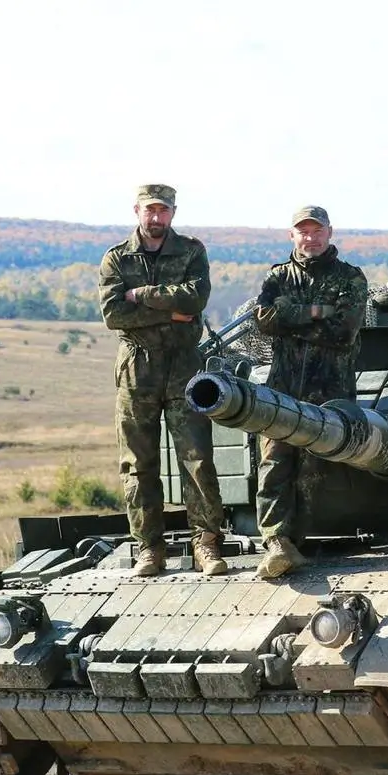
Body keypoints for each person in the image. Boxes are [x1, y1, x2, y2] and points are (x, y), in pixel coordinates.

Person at [98, 183, 227, 577]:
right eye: (150, 211)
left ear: (173, 212)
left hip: (184, 365)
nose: (156, 218)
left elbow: (195, 300)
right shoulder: (116, 259)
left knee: (197, 459)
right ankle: (149, 549)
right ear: (136, 211)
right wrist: (168, 311)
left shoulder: (191, 251)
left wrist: (142, 294)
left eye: (163, 211)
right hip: (137, 369)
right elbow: (113, 314)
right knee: (138, 464)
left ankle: (206, 544)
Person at [253, 205, 369, 579]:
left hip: (329, 391)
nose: (311, 237)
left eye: (317, 231)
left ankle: (296, 544)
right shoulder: (278, 277)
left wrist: (295, 315)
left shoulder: (350, 278)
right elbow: (264, 322)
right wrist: (319, 312)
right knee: (273, 463)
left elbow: (344, 331)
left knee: (312, 472)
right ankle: (276, 542)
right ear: (292, 236)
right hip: (283, 390)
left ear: (329, 233)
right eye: (303, 231)